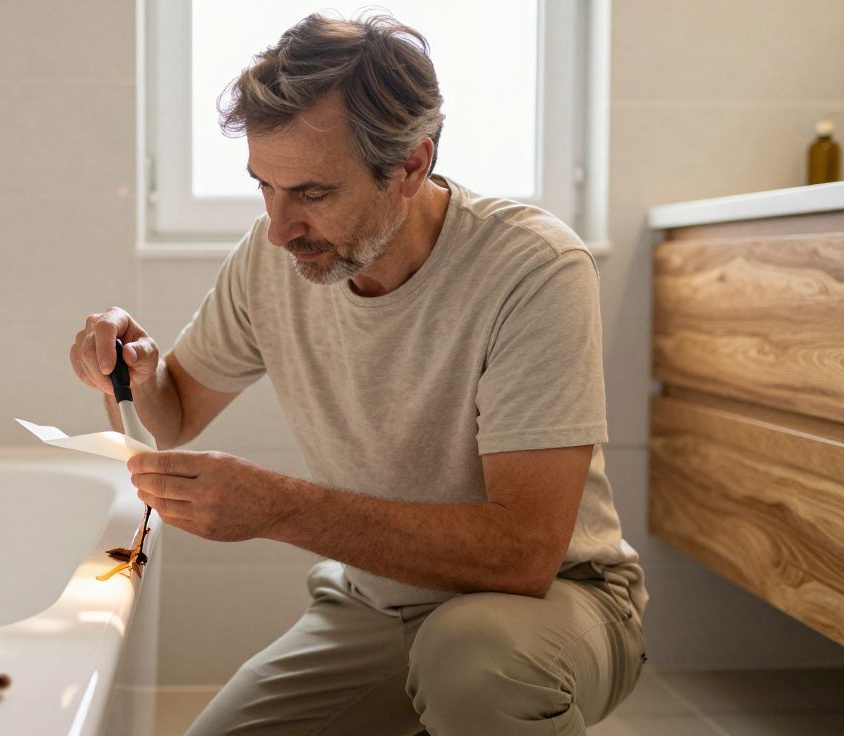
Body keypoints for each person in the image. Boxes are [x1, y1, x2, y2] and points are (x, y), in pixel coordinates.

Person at [69, 13, 646, 736]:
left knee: (472, 662)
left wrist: (280, 508)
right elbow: (177, 413)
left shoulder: (532, 270)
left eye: (311, 193)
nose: (279, 229)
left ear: (410, 166)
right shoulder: (270, 258)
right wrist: (138, 369)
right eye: (264, 188)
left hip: (555, 601)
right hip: (375, 605)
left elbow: (525, 555)